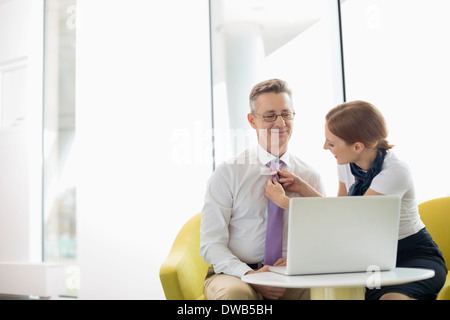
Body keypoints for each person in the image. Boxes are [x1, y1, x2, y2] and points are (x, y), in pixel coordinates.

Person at [266, 100, 447, 300]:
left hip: (412, 256)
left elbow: (349, 221)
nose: (325, 146)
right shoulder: (346, 163)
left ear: (358, 146)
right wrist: (303, 188)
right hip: (370, 260)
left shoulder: (395, 172)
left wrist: (284, 202)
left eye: (332, 143)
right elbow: (340, 212)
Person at [199, 79, 325, 300]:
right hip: (236, 274)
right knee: (235, 296)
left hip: (290, 274)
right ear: (252, 120)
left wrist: (301, 262)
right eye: (269, 116)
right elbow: (211, 244)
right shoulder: (228, 173)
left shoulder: (309, 176)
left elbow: (324, 236)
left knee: (328, 293)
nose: (280, 123)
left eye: (286, 114)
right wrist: (249, 274)